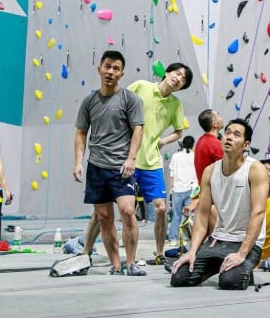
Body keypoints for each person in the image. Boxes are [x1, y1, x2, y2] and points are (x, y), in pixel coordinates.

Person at [170, 118, 268, 290]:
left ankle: (237, 268)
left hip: (246, 242)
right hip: (219, 239)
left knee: (231, 282)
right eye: (228, 132)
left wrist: (242, 253)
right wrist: (192, 251)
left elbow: (258, 213)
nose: (229, 137)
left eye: (236, 135)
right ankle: (219, 265)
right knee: (179, 277)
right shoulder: (210, 171)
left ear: (246, 145)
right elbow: (202, 214)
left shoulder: (255, 169)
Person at [74, 50, 145, 276]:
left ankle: (131, 262)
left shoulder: (130, 99)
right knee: (104, 219)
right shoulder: (89, 102)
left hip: (121, 168)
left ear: (121, 73)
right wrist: (78, 162)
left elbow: (138, 129)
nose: (110, 72)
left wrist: (131, 158)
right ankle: (115, 265)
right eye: (107, 67)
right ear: (99, 69)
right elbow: (81, 133)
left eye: (115, 69)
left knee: (127, 211)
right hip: (96, 167)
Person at [127, 62, 190, 264]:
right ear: (167, 72)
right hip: (127, 157)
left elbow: (180, 131)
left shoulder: (175, 105)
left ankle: (160, 253)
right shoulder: (141, 86)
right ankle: (87, 248)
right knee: (114, 207)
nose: (179, 79)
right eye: (177, 73)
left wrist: (163, 141)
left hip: (151, 161)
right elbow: (119, 104)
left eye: (183, 79)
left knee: (161, 208)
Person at [168, 135, 197, 246]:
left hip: (177, 189)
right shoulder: (195, 156)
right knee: (190, 216)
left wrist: (171, 187)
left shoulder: (176, 156)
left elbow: (172, 173)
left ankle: (173, 239)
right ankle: (190, 238)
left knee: (176, 215)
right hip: (191, 189)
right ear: (193, 144)